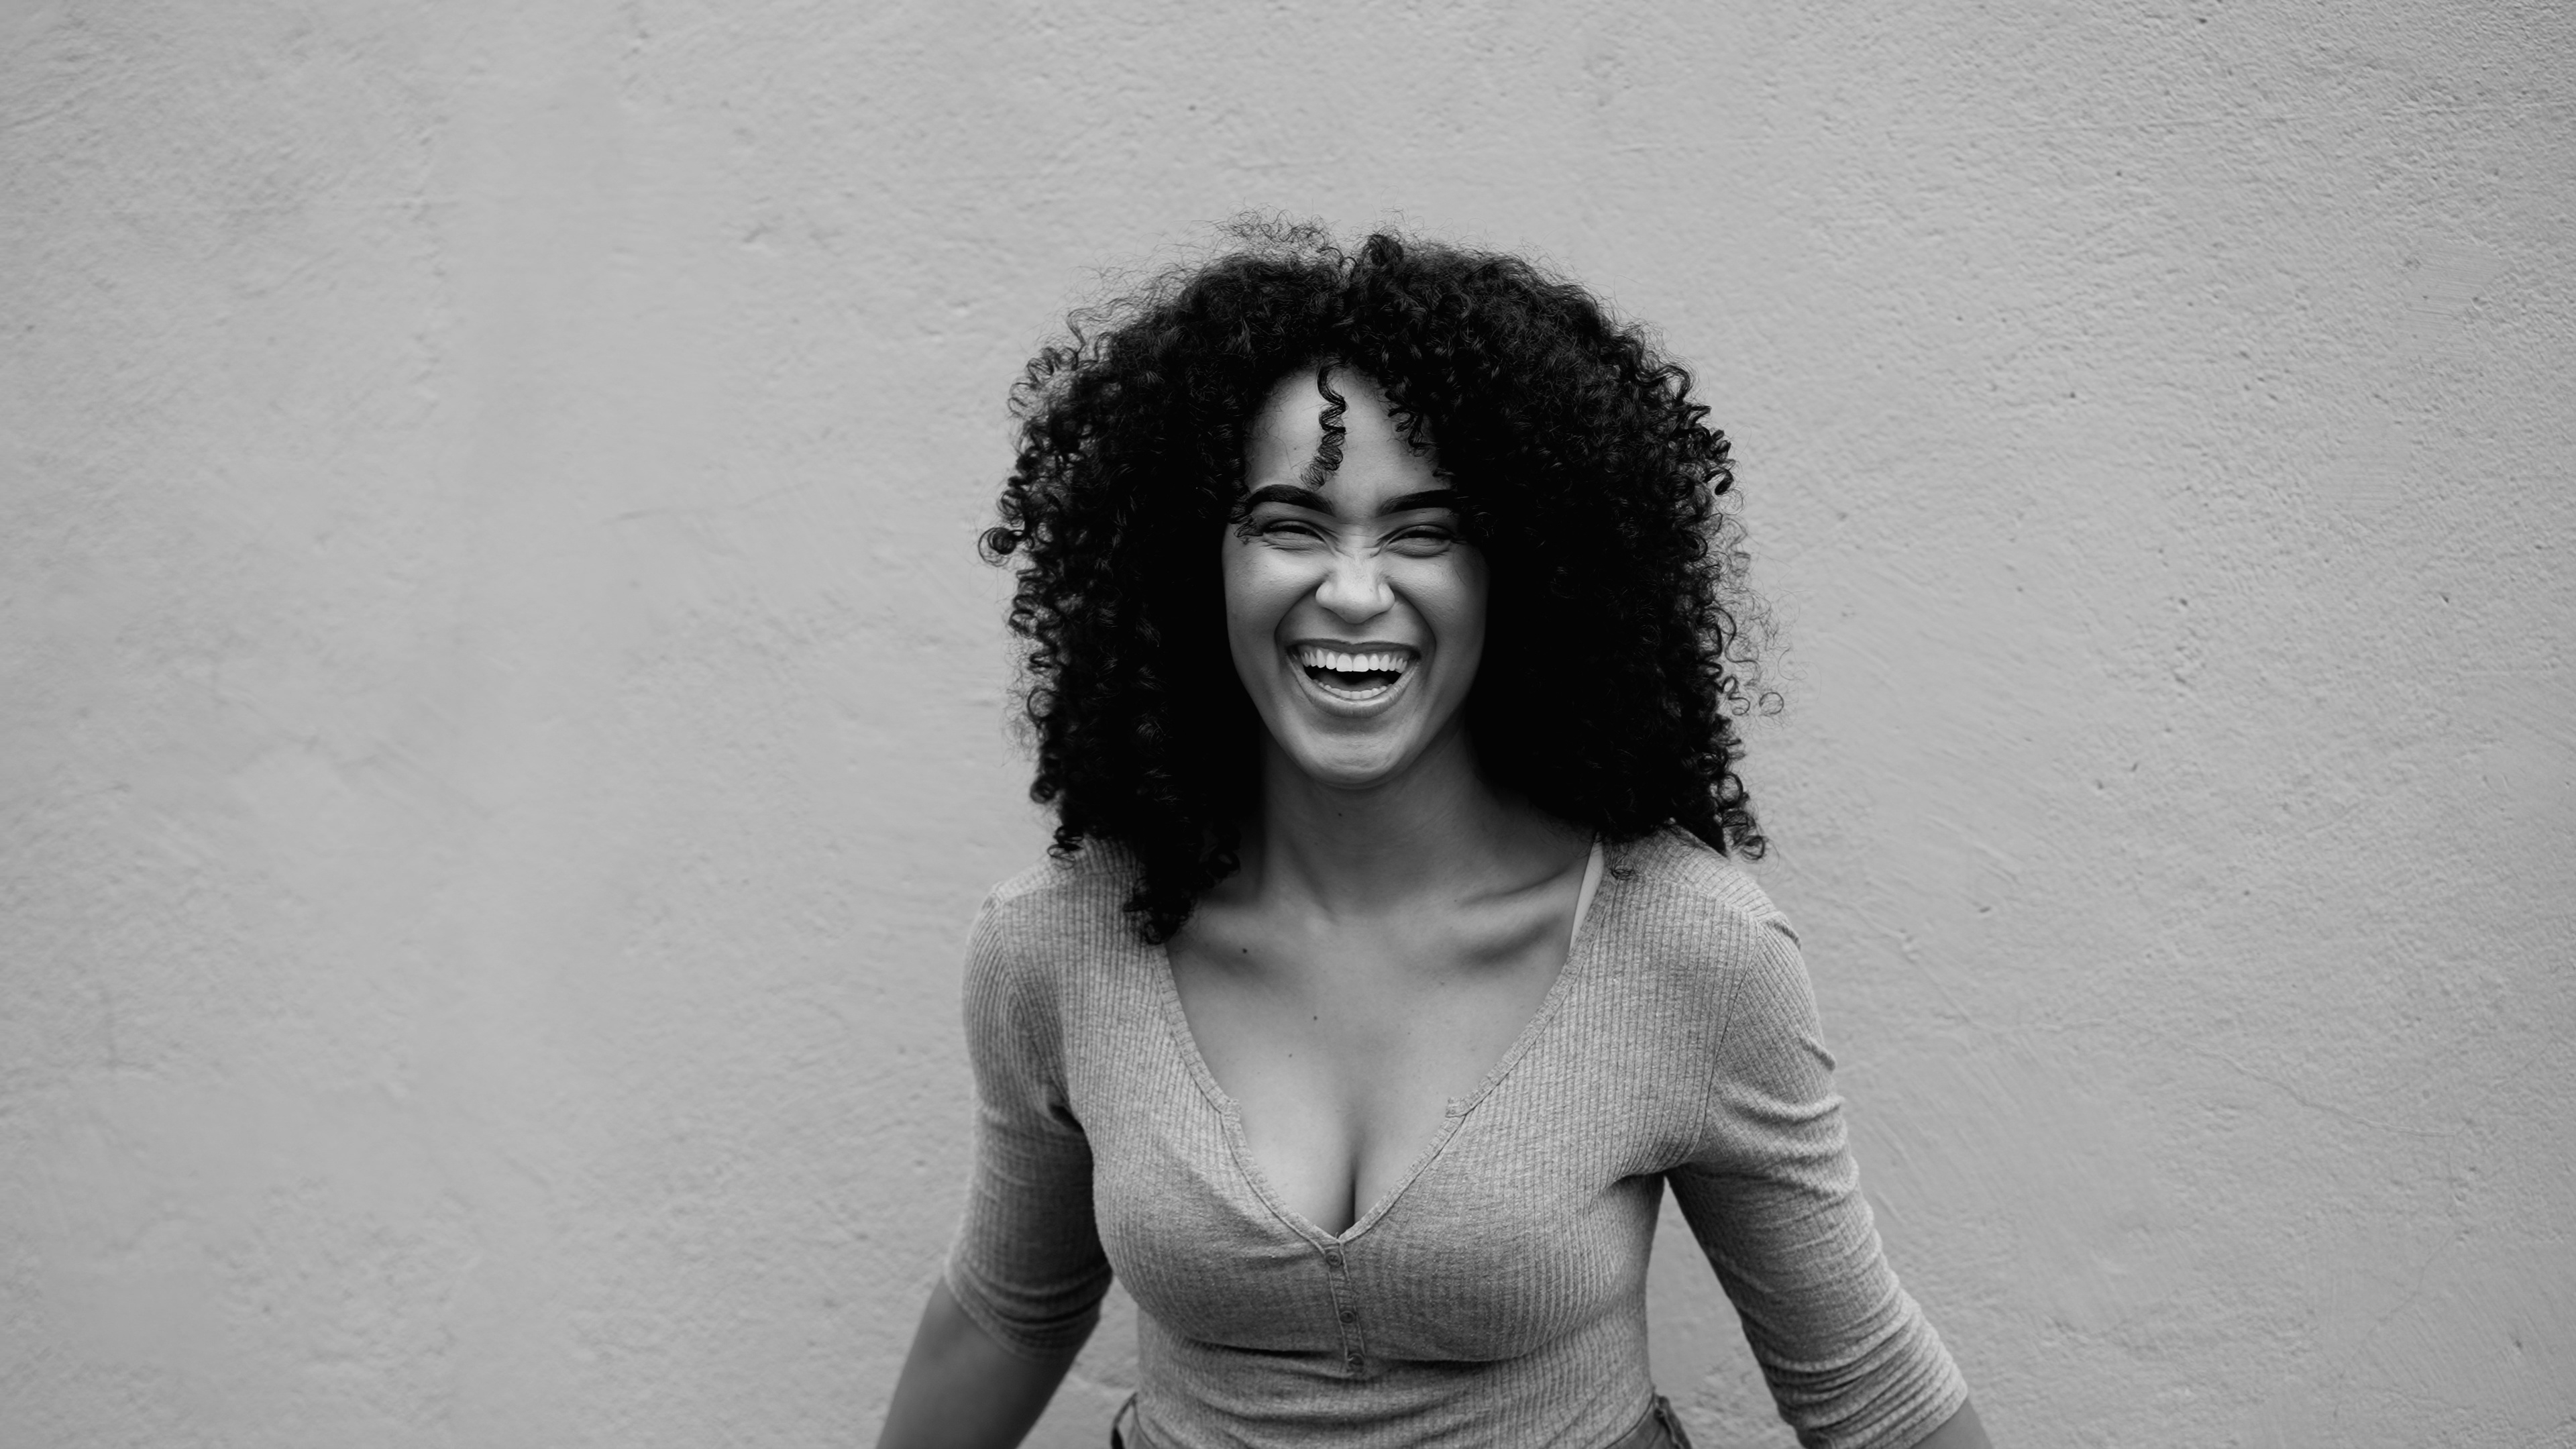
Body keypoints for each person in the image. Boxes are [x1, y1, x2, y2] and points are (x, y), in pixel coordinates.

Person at [877, 222, 1990, 1449]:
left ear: (1527, 571)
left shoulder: (1687, 947)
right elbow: (1002, 1315)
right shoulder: (1059, 939)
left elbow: (1870, 1393)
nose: (1354, 590)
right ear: (1194, 562)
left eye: (1424, 532)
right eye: (1291, 524)